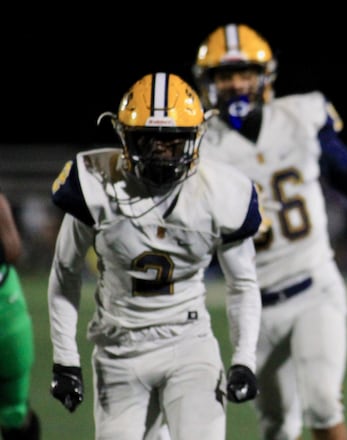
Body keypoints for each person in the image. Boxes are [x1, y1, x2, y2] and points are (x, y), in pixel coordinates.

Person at [191, 23, 347, 440]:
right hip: (252, 306)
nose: (237, 84)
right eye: (225, 75)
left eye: (245, 73)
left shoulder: (300, 116)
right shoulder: (201, 146)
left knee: (323, 403)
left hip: (314, 287)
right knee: (277, 425)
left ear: (265, 77)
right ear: (209, 82)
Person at [47, 72, 264, 440]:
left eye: (173, 142)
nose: (161, 153)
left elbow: (242, 282)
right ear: (125, 137)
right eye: (149, 141)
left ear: (196, 138)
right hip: (119, 349)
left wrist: (244, 359)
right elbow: (65, 272)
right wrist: (66, 359)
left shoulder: (219, 192)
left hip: (188, 342)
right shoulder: (96, 183)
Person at [0, 188, 40, 439]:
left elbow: (13, 249)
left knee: (15, 411)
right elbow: (13, 249)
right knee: (15, 411)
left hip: (6, 307)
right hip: (6, 303)